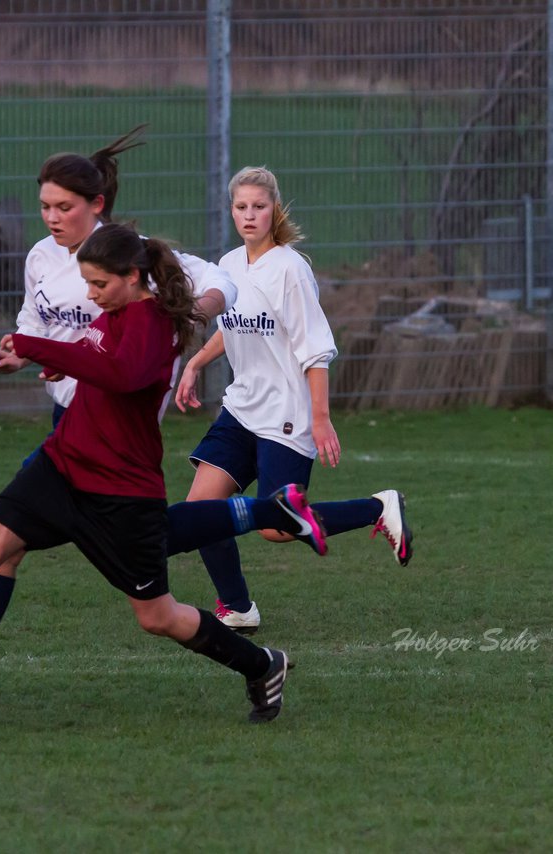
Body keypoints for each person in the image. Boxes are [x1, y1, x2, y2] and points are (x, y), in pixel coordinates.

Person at [0, 224, 327, 723]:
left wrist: (36, 347)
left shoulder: (155, 325)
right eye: (87, 284)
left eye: (99, 285)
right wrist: (35, 357)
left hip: (120, 491)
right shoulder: (116, 310)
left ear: (133, 277)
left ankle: (261, 664)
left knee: (158, 616)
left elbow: (123, 374)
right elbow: (94, 358)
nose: (91, 295)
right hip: (62, 464)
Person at [0, 126, 237, 656]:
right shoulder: (42, 256)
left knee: (155, 587)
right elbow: (34, 326)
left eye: (63, 206)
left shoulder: (132, 261)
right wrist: (19, 353)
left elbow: (219, 282)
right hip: (68, 429)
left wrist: (191, 317)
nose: (51, 217)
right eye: (44, 206)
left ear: (97, 205)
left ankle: (265, 522)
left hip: (121, 441)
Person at [170, 166, 414, 635]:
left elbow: (315, 349)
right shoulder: (229, 265)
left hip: (286, 413)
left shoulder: (290, 270)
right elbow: (233, 325)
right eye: (241, 207)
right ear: (231, 210)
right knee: (200, 511)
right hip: (242, 407)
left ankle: (378, 507)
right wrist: (198, 361)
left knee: (277, 527)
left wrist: (320, 418)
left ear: (274, 210)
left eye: (259, 207)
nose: (249, 215)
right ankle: (237, 606)